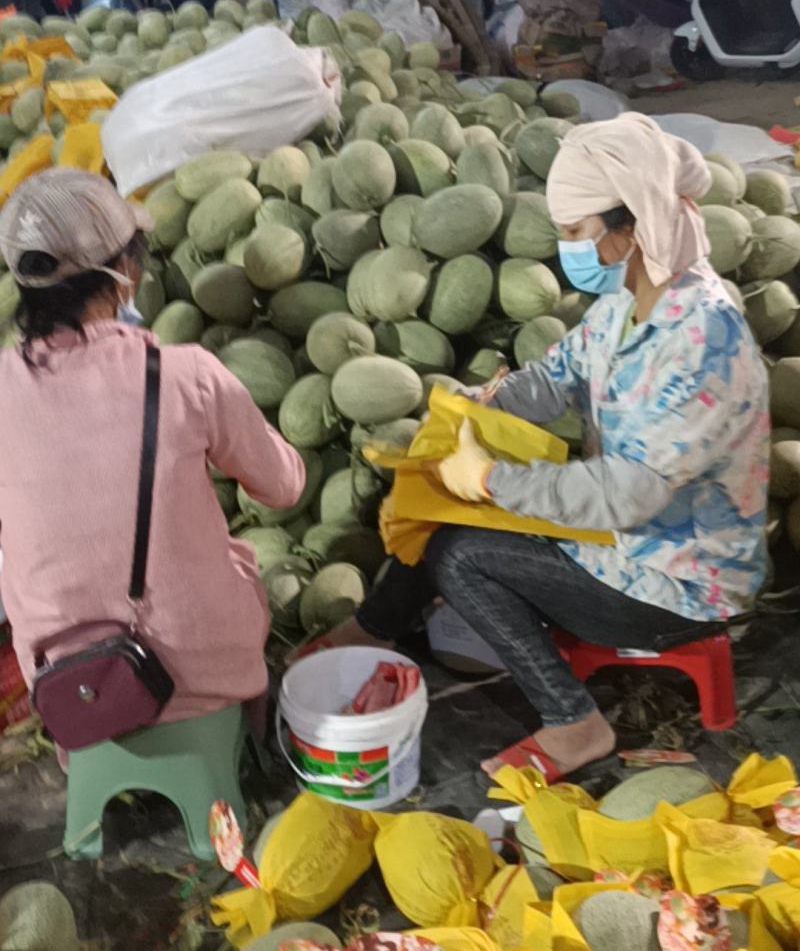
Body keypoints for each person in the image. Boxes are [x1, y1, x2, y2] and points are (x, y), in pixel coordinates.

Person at [316, 114, 769, 775]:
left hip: (676, 580)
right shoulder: (626, 302)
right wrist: (489, 405)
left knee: (461, 555)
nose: (566, 250)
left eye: (575, 233)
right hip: (623, 537)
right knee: (442, 503)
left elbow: (628, 492)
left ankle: (575, 723)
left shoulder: (701, 340)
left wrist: (492, 482)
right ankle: (372, 629)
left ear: (632, 225)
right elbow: (558, 376)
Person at [0, 168, 305, 727]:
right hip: (200, 670)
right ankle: (247, 730)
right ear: (125, 273)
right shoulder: (185, 374)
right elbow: (284, 487)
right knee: (242, 562)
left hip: (69, 686)